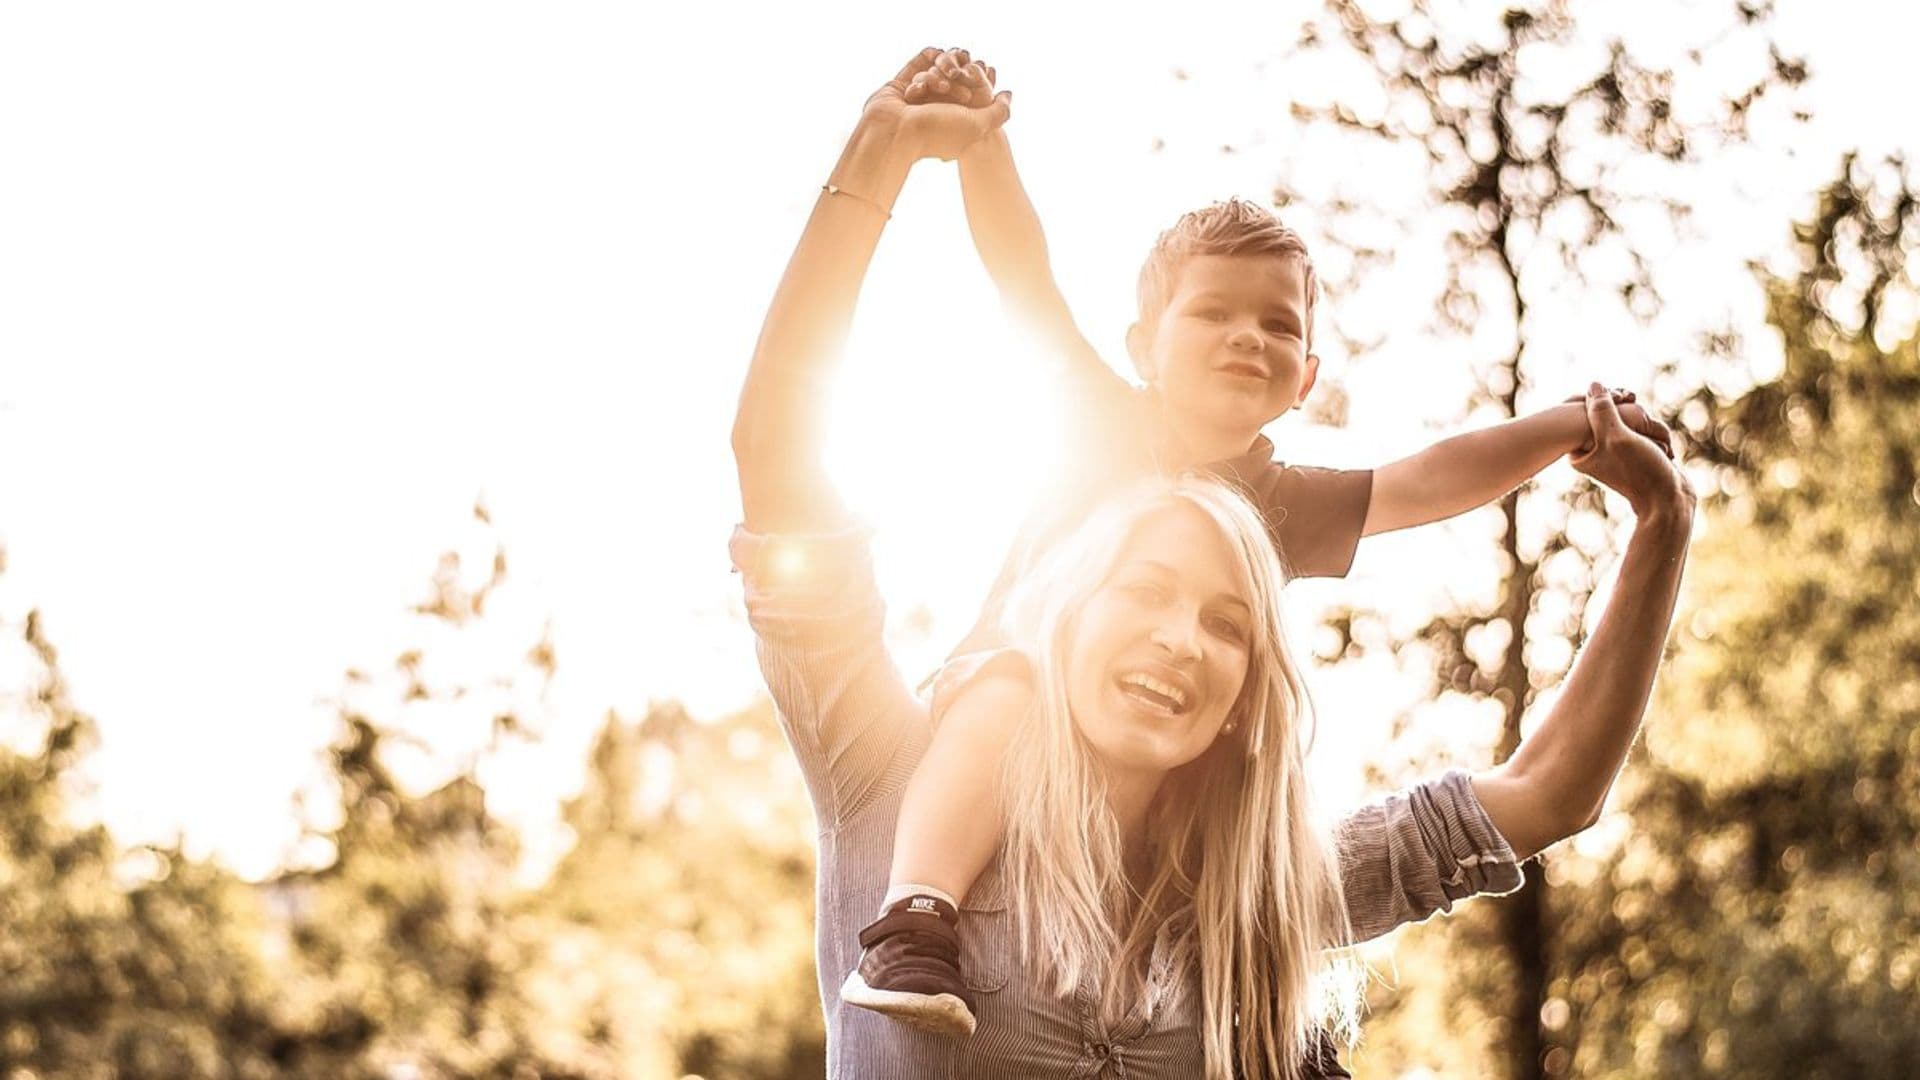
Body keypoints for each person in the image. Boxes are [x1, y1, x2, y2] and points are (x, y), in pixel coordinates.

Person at [732, 48, 1696, 1079]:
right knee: (1004, 684)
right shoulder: (896, 775)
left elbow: (1542, 780)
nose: (1180, 636)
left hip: (1238, 876)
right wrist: (947, 145)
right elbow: (1003, 288)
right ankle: (921, 923)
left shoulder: (1260, 875)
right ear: (1146, 342)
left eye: (1231, 621)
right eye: (1142, 589)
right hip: (988, 699)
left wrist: (1620, 478)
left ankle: (1287, 1042)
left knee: (1264, 971)